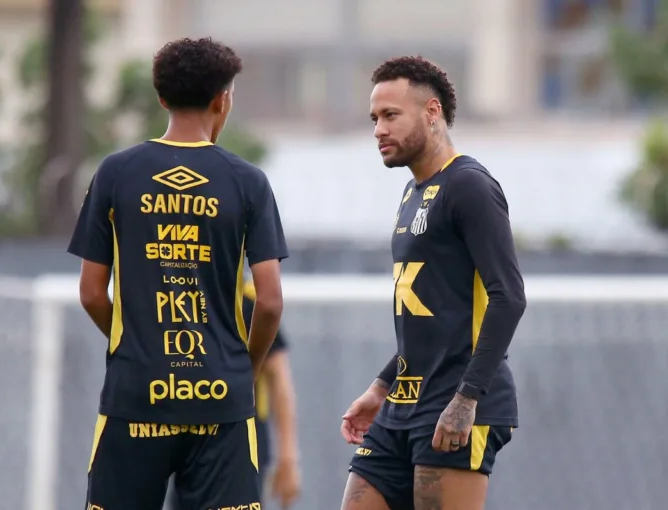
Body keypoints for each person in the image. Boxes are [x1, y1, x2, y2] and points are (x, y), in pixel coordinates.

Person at [68, 37, 288, 510]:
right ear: (222, 99)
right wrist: (242, 371)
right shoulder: (248, 181)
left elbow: (90, 293)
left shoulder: (115, 172)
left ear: (161, 97)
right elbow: (269, 302)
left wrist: (134, 339)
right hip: (221, 399)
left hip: (136, 394)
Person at [340, 56, 527, 510]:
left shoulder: (469, 186)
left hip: (454, 401)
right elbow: (432, 318)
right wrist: (381, 387)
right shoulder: (412, 192)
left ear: (431, 112)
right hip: (403, 404)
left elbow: (509, 297)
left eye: (390, 116)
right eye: (374, 119)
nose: (379, 130)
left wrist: (466, 400)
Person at [168, 280, 301, 509]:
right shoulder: (178, 295)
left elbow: (279, 376)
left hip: (242, 439)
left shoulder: (247, 298)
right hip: (189, 438)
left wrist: (288, 457)